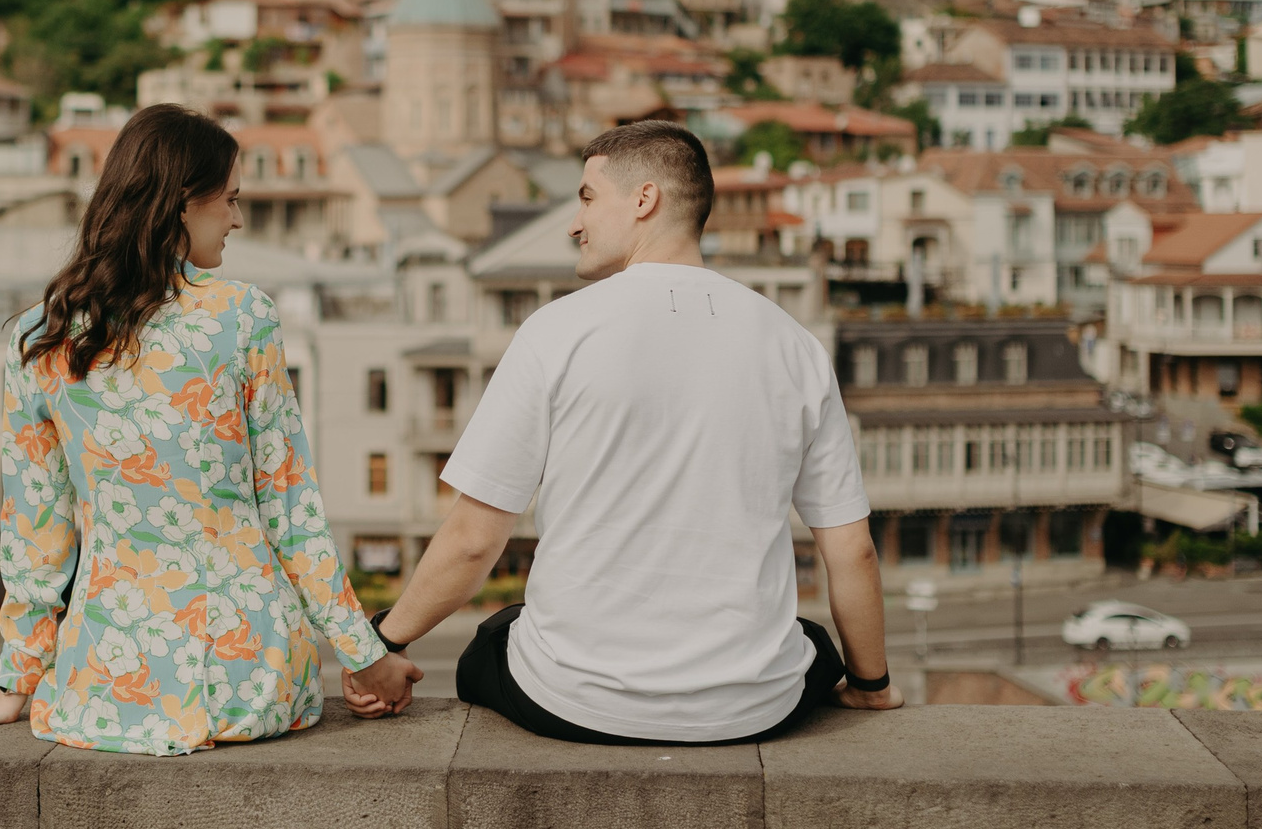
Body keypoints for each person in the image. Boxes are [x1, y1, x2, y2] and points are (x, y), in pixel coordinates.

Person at [0, 104, 420, 753]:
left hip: (107, 681)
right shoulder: (242, 315)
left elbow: (36, 532)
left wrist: (14, 683)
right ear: (180, 204)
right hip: (249, 674)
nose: (237, 219)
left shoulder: (41, 337)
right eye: (228, 200)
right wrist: (366, 657)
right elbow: (290, 508)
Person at [356, 121, 897, 745]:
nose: (573, 223)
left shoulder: (555, 331)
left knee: (491, 643)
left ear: (644, 200)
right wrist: (872, 684)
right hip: (749, 711)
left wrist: (382, 642)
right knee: (812, 643)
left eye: (586, 197)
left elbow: (475, 542)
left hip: (575, 701)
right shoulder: (795, 345)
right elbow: (851, 550)